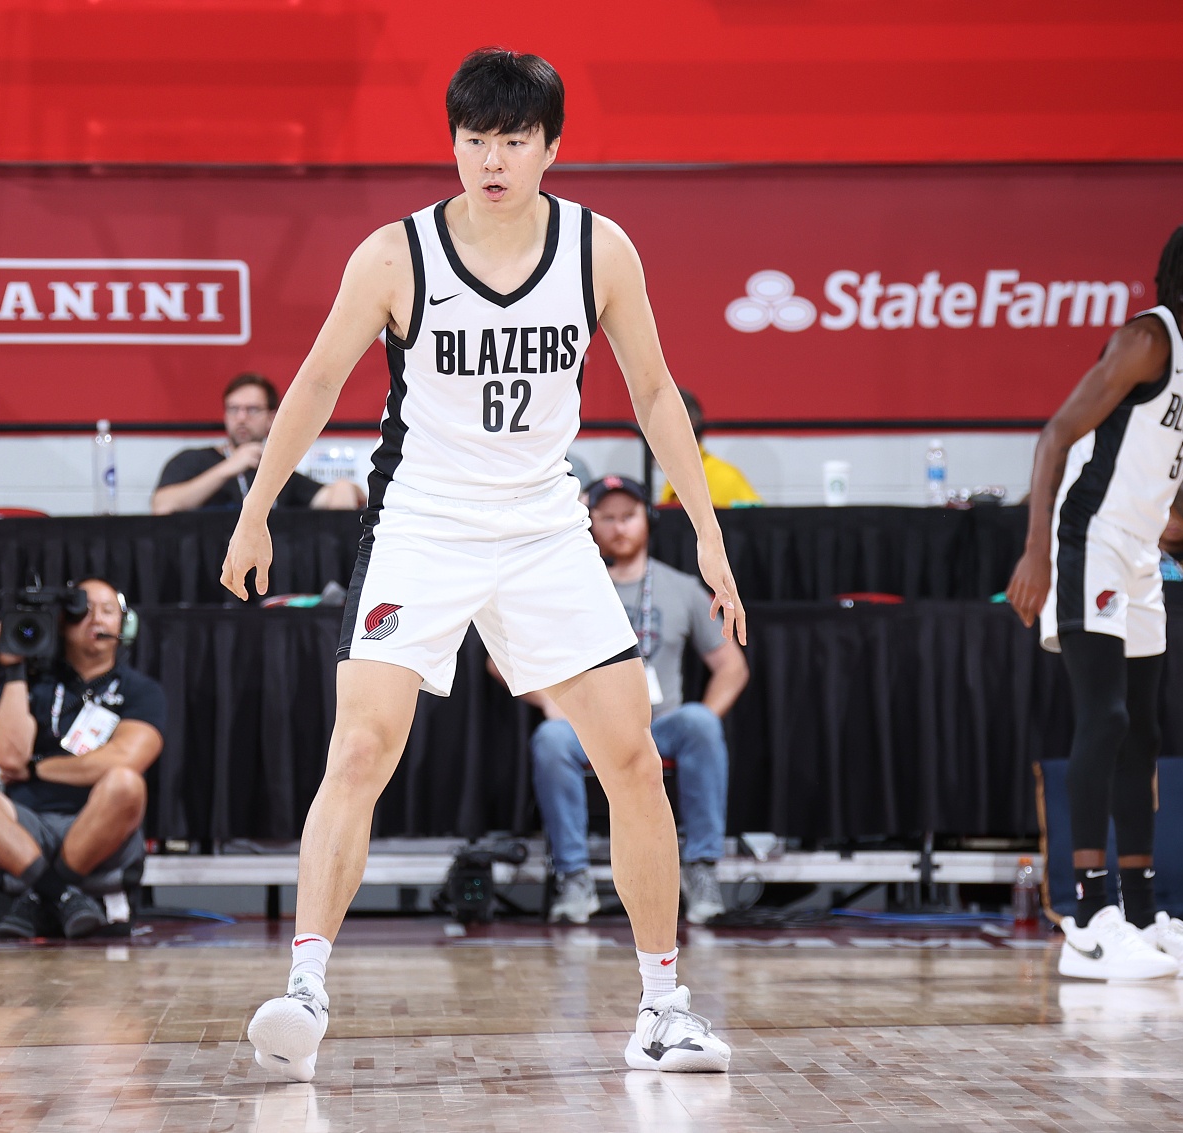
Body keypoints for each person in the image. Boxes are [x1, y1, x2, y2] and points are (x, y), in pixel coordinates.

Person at [222, 48, 745, 1080]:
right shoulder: (394, 254)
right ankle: (305, 991)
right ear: (452, 143)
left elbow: (653, 393)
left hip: (545, 526)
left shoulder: (599, 249)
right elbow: (316, 381)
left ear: (551, 147)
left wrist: (708, 532)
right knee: (359, 748)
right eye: (474, 140)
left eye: (513, 140)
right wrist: (255, 510)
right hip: (421, 522)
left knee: (632, 758)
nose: (491, 160)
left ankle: (661, 1008)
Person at [1008, 213, 1183, 981]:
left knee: (1145, 733)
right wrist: (1035, 552)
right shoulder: (1147, 340)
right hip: (1086, 539)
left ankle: (1140, 913)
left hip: (1137, 552)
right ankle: (1089, 919)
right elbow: (1055, 435)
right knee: (1105, 717)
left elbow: (1174, 473)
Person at [522, 475, 748, 926]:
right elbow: (502, 657)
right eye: (607, 517)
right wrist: (549, 701)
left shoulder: (680, 587)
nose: (619, 527)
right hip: (589, 727)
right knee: (550, 738)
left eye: (628, 516)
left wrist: (707, 714)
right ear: (589, 522)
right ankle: (573, 877)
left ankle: (701, 869)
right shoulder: (568, 586)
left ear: (647, 520)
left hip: (659, 725)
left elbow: (732, 666)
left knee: (701, 725)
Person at [0, 578, 166, 939]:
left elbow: (122, 760)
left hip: (97, 822)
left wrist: (36, 767)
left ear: (125, 624)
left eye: (108, 611)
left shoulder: (141, 690)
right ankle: (62, 895)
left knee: (126, 784)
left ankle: (40, 894)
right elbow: (7, 758)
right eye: (83, 611)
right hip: (27, 823)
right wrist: (14, 670)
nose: (96, 619)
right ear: (61, 623)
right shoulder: (33, 683)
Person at [152, 373, 364, 513]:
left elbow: (329, 497)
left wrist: (346, 488)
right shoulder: (192, 460)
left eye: (252, 410)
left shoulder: (277, 474)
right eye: (234, 409)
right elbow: (162, 505)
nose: (241, 418)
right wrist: (227, 468)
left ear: (271, 418)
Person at [657, 388, 760, 508]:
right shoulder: (674, 479)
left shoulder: (726, 478)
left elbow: (760, 518)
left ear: (690, 425)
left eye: (660, 424)